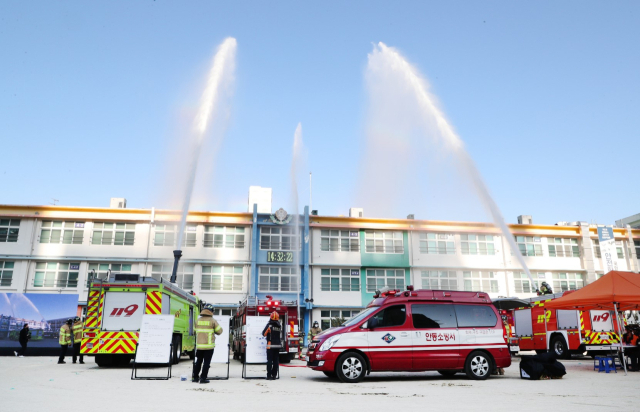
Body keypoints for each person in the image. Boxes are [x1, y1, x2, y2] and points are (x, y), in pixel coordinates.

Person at [192, 303, 223, 384]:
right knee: (206, 362)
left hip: (199, 346)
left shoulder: (198, 320)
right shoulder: (212, 321)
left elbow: (194, 332)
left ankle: (195, 377)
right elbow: (219, 331)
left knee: (198, 361)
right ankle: (203, 378)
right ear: (211, 311)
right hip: (209, 347)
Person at [262, 311, 282, 380]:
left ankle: (269, 375)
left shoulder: (269, 325)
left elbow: (264, 334)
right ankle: (274, 375)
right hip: (277, 346)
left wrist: (268, 331)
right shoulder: (279, 326)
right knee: (276, 361)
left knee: (269, 361)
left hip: (270, 346)